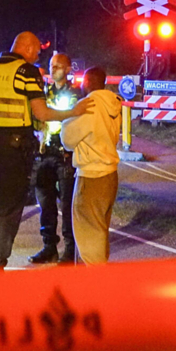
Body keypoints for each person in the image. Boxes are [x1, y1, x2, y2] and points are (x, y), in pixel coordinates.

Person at [0, 32, 89, 270]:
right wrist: (73, 112)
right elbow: (41, 113)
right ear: (25, 47)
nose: (37, 56)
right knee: (9, 208)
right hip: (14, 150)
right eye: (36, 51)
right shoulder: (26, 71)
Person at [61, 67, 123, 266]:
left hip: (91, 176)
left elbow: (68, 138)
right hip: (110, 175)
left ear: (87, 81)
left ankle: (93, 287)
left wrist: (68, 117)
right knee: (100, 231)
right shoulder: (113, 104)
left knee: (87, 235)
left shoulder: (88, 105)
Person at [28, 53, 82, 265]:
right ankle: (49, 246)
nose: (54, 69)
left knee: (67, 204)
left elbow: (73, 117)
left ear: (68, 69)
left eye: (58, 66)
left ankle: (70, 250)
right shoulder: (43, 93)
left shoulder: (76, 93)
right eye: (51, 65)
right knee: (45, 202)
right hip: (45, 152)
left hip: (65, 154)